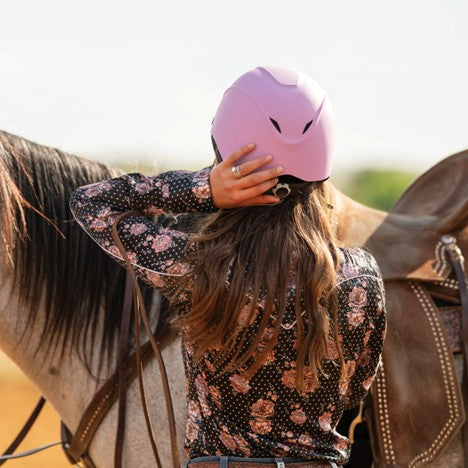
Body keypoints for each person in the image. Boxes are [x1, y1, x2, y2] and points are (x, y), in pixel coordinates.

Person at [69, 65, 387, 468]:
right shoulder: (363, 277)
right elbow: (355, 392)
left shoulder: (195, 266)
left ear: (225, 152)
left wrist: (205, 190)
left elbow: (90, 202)